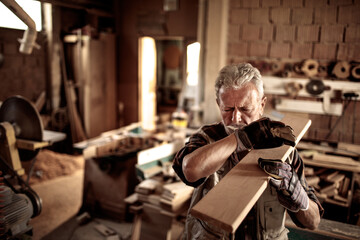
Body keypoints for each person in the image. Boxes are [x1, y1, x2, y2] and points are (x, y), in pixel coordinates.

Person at [172, 63, 324, 239]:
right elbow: (190, 171)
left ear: (262, 104)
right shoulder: (208, 137)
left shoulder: (283, 147)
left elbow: (313, 222)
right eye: (228, 109)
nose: (235, 118)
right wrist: (240, 139)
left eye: (245, 109)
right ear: (218, 104)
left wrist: (297, 194)